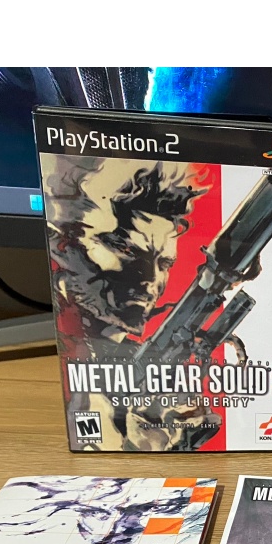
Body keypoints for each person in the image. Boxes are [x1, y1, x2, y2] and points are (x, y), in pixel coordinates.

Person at [43, 156, 221, 450]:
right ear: (63, 244)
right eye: (125, 250)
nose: (149, 279)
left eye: (164, 263)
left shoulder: (125, 356)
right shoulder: (69, 358)